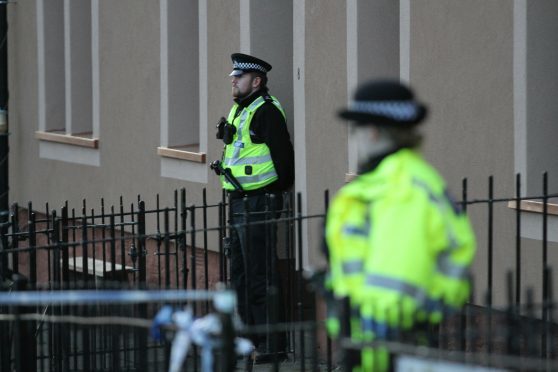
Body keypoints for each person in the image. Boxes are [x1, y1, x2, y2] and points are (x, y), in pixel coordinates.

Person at [324, 79, 476, 371]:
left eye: (355, 129)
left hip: (385, 346)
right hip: (377, 339)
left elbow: (394, 285)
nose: (353, 137)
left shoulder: (401, 188)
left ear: (374, 131)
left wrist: (371, 351)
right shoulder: (392, 180)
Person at [212, 53, 294, 363]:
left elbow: (284, 162)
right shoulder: (239, 110)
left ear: (256, 81)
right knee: (241, 273)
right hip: (239, 200)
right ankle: (249, 338)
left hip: (260, 201)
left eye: (240, 77)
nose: (233, 80)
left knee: (262, 273)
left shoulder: (266, 112)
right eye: (233, 76)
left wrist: (272, 195)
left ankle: (273, 345)